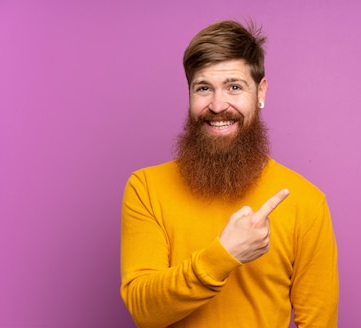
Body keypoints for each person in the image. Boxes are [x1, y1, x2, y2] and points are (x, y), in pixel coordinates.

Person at [120, 20, 339, 327]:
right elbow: (145, 312)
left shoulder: (306, 202)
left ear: (260, 92)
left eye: (234, 87)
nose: (218, 104)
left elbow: (319, 322)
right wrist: (224, 255)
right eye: (203, 88)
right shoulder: (145, 188)